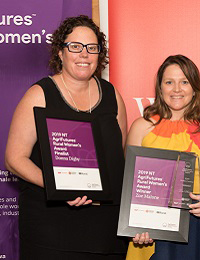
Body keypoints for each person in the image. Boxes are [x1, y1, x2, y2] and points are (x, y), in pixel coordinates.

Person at [5, 15, 128, 259]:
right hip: (51, 229)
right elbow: (14, 159)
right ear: (60, 52)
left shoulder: (113, 95)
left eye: (92, 48)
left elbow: (119, 157)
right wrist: (59, 187)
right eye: (75, 47)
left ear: (99, 54)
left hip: (105, 231)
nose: (84, 54)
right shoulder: (39, 95)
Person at [125, 55, 200, 260]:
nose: (176, 89)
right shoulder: (141, 127)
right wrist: (136, 224)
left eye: (184, 82)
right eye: (169, 82)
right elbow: (131, 187)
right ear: (160, 88)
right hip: (154, 231)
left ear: (194, 87)